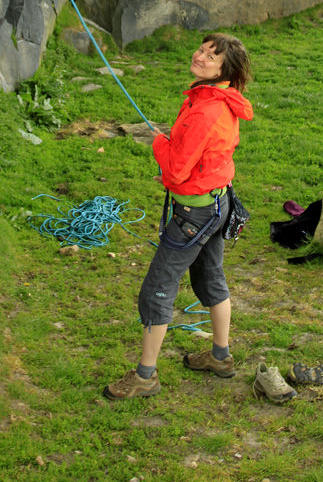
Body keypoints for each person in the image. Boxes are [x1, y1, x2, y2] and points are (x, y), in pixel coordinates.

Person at [104, 32, 253, 400]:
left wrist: (160, 143)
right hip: (216, 204)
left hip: (195, 215)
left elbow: (176, 170)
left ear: (225, 71)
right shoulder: (216, 99)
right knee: (211, 277)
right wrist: (179, 166)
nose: (200, 56)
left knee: (158, 287)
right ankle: (220, 357)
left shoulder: (206, 109)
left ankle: (144, 377)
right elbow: (204, 158)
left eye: (211, 56)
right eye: (202, 49)